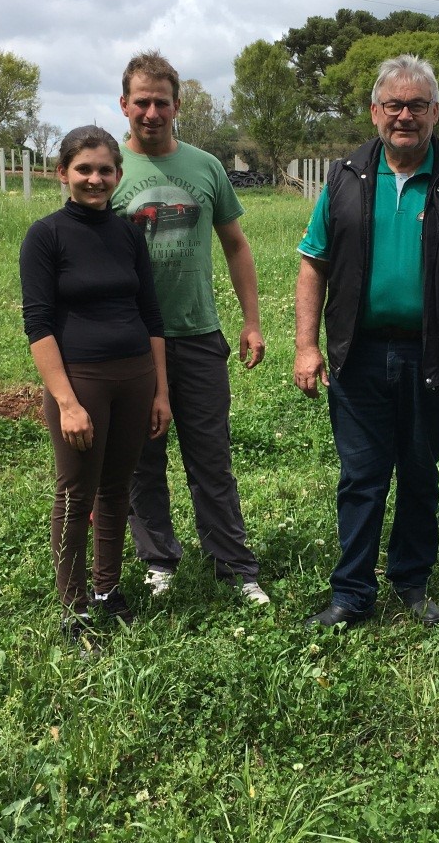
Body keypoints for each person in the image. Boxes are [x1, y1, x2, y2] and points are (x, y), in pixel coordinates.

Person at [294, 54, 439, 628]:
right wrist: (306, 345)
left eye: (418, 105)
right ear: (375, 112)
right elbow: (313, 263)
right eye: (394, 105)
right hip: (357, 353)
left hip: (431, 354)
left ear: (435, 111)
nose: (405, 116)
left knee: (419, 471)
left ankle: (412, 582)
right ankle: (352, 594)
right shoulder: (343, 177)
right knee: (361, 476)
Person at [112, 51, 270, 606]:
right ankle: (158, 560)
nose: (151, 112)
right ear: (124, 104)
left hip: (198, 334)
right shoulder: (106, 170)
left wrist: (251, 322)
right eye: (141, 102)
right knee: (141, 457)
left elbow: (236, 245)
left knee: (211, 455)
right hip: (128, 342)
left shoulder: (206, 167)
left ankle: (234, 565)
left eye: (161, 102)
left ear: (177, 106)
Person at [20, 126, 172, 651]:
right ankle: (73, 605)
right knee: (75, 491)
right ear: (62, 173)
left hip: (135, 376)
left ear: (118, 175)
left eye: (105, 170)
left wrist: (160, 392)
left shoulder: (129, 233)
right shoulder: (46, 236)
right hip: (80, 382)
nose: (95, 179)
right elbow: (38, 325)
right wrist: (66, 402)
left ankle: (108, 590)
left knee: (116, 489)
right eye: (83, 169)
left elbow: (151, 315)